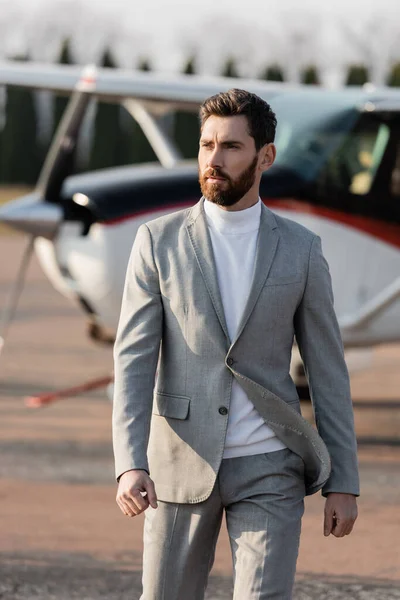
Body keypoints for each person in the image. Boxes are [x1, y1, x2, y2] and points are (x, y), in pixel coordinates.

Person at [112, 88, 359, 600]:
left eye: (230, 147)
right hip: (181, 459)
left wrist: (345, 480)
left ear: (264, 156)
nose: (214, 160)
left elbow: (328, 370)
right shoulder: (157, 241)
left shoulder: (302, 250)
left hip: (271, 464)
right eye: (206, 145)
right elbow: (134, 361)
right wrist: (130, 461)